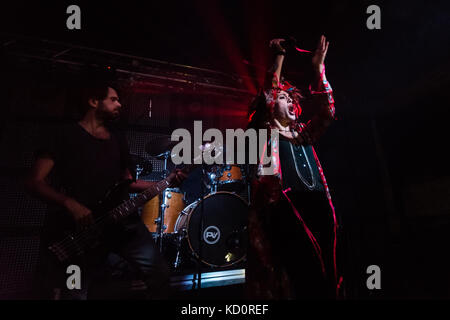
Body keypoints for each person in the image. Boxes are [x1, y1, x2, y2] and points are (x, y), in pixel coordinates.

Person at [25, 82, 187, 299]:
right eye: (113, 99)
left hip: (123, 224)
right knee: (77, 290)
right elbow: (34, 182)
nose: (119, 104)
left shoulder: (117, 138)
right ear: (93, 101)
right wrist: (69, 204)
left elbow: (127, 183)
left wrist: (167, 181)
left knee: (160, 273)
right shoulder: (64, 135)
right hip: (81, 230)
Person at [246, 36, 343, 299]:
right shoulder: (263, 134)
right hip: (286, 211)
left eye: (292, 98)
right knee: (298, 276)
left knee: (326, 274)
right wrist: (278, 56)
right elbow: (268, 94)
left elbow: (328, 111)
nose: (289, 101)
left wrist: (318, 68)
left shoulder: (304, 134)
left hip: (319, 206)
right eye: (283, 97)